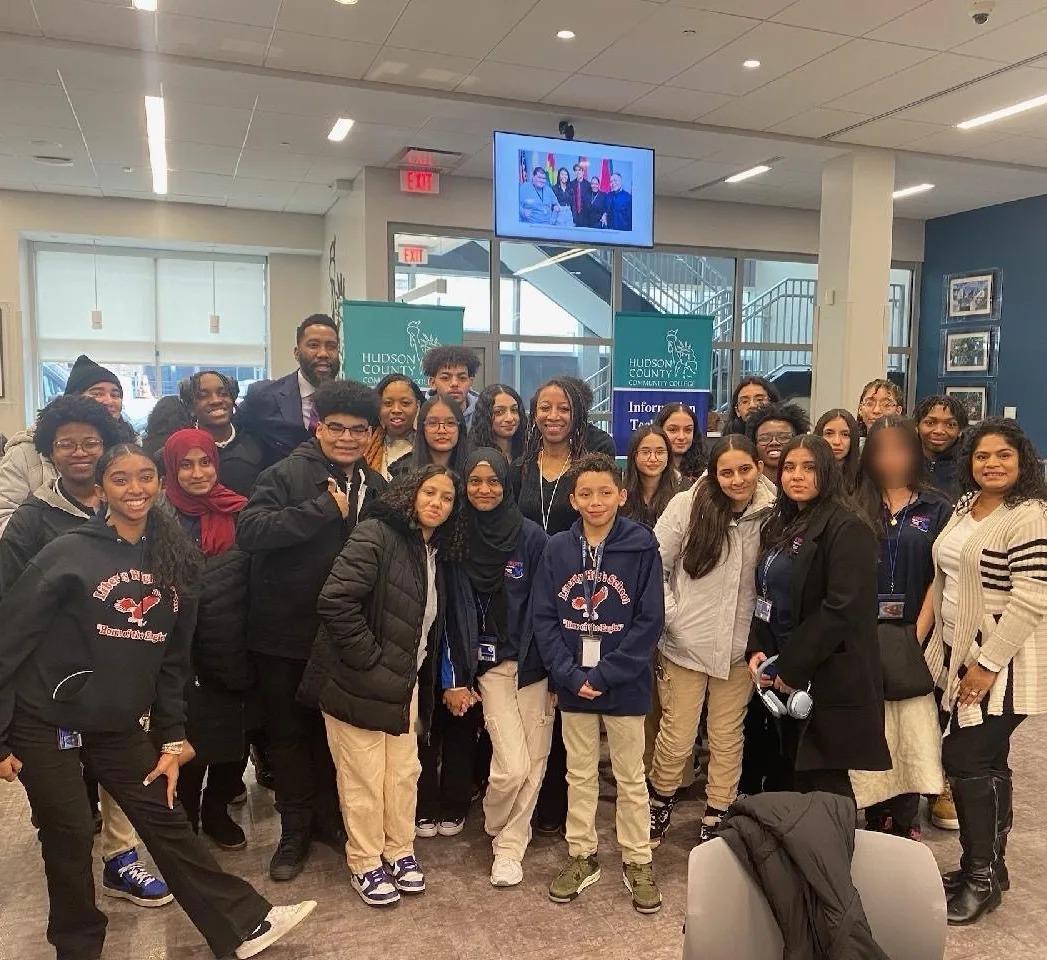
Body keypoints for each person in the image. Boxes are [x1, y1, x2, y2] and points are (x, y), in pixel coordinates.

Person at [0, 443, 315, 960]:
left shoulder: (175, 560)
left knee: (164, 818)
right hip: (44, 719)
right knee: (69, 833)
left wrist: (172, 735)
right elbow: (9, 638)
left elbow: (173, 659)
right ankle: (77, 948)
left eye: (145, 477)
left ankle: (243, 926)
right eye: (121, 480)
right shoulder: (68, 553)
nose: (135, 489)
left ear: (159, 484)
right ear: (101, 490)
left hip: (117, 722)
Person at [0, 396, 172, 909]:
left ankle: (122, 859)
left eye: (90, 442)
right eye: (66, 444)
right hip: (50, 686)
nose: (79, 452)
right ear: (50, 452)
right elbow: (12, 607)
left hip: (118, 678)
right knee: (64, 808)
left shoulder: (136, 512)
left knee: (125, 776)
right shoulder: (32, 521)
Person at [237, 379, 387, 882]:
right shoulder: (283, 474)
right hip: (283, 635)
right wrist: (321, 510)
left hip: (345, 636)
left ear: (371, 434)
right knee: (289, 737)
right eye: (336, 428)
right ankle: (294, 830)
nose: (346, 438)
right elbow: (251, 533)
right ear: (318, 427)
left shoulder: (378, 485)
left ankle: (329, 818)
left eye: (357, 430)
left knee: (336, 736)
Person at [300, 466, 463, 907]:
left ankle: (400, 849)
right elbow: (335, 600)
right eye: (430, 492)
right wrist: (368, 660)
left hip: (405, 684)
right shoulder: (376, 533)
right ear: (411, 494)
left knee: (403, 774)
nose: (437, 503)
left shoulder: (432, 551)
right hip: (358, 683)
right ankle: (365, 860)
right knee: (363, 779)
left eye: (447, 498)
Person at [923, 419, 1047, 925]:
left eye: (1003, 456)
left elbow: (1032, 597)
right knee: (990, 760)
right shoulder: (964, 508)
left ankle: (979, 877)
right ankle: (990, 869)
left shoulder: (1030, 516)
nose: (991, 464)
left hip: (1002, 659)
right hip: (956, 649)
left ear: (1023, 464)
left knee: (967, 758)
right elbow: (945, 576)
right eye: (982, 456)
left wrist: (988, 665)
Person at [533, 453, 664, 913]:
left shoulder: (642, 544)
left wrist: (606, 674)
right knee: (579, 774)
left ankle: (637, 858)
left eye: (605, 492)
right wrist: (569, 674)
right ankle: (581, 855)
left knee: (631, 776)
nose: (595, 502)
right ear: (573, 498)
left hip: (624, 684)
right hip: (573, 683)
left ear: (622, 496)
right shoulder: (557, 548)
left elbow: (650, 620)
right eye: (585, 493)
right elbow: (545, 617)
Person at [649, 436, 775, 846]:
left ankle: (717, 812)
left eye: (745, 470)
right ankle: (660, 800)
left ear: (757, 466)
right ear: (713, 472)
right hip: (686, 645)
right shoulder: (687, 505)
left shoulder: (774, 510)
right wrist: (673, 618)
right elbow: (654, 565)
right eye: (727, 472)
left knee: (727, 735)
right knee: (678, 734)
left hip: (740, 650)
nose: (736, 480)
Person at [746, 435, 890, 797]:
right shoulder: (781, 523)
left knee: (822, 781)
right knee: (789, 775)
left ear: (828, 472)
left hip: (827, 674)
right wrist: (758, 649)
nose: (797, 476)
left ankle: (828, 852)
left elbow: (840, 608)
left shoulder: (847, 527)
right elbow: (766, 593)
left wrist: (792, 668)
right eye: (790, 468)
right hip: (779, 666)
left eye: (809, 468)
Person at [441, 449, 551, 887]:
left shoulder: (531, 537)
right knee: (511, 768)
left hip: (534, 666)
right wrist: (456, 677)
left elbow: (551, 610)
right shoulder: (455, 538)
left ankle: (509, 847)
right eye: (475, 482)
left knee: (536, 762)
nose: (485, 490)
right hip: (489, 669)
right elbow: (447, 614)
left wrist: (558, 673)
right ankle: (494, 821)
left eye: (493, 482)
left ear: (507, 484)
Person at [851, 417, 951, 842]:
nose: (891, 458)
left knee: (911, 726)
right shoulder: (852, 502)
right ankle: (874, 814)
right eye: (881, 449)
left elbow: (942, 574)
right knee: (870, 725)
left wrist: (917, 631)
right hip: (859, 633)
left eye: (900, 448)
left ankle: (906, 815)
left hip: (915, 632)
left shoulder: (937, 507)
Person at [161, 428, 255, 852]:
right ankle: (186, 816)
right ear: (171, 468)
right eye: (186, 464)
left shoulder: (239, 509)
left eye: (205, 462)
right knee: (191, 735)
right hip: (181, 644)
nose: (197, 473)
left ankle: (217, 811)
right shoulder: (159, 515)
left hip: (234, 638)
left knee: (235, 734)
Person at [508, 377, 591, 833]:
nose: (553, 416)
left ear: (575, 413)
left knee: (566, 690)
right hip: (524, 591)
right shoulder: (520, 467)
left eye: (562, 408)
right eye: (544, 407)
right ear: (534, 413)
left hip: (576, 588)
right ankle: (527, 791)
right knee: (533, 690)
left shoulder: (587, 469)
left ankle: (558, 799)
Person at [0, 354, 135, 534]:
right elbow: (4, 516)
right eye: (97, 393)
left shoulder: (129, 449)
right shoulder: (25, 451)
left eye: (115, 394)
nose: (108, 401)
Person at [238, 314, 340, 467]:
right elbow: (234, 438)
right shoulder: (263, 396)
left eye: (331, 346)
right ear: (296, 353)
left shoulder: (350, 401)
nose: (323, 353)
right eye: (313, 345)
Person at [179, 371, 266, 496]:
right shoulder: (180, 449)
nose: (216, 401)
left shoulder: (258, 443)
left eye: (223, 394)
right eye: (203, 396)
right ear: (190, 406)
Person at [391, 394, 471, 477]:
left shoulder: (473, 471)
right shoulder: (403, 473)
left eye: (450, 423)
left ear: (460, 427)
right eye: (433, 423)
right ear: (422, 427)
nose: (442, 430)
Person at [363, 373, 423, 480]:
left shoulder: (429, 446)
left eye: (405, 403)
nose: (396, 410)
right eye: (388, 403)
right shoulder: (364, 444)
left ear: (417, 406)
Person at [620, 425, 679, 528]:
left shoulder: (682, 491)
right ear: (634, 455)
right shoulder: (620, 492)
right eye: (646, 452)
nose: (653, 458)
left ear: (668, 455)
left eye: (660, 452)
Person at [914, 394, 969, 503]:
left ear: (960, 430)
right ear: (916, 426)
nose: (939, 431)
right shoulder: (903, 463)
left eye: (950, 425)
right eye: (930, 423)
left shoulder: (969, 469)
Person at [746, 402, 810, 484]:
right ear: (754, 444)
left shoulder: (809, 483)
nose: (774, 443)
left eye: (783, 438)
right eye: (765, 438)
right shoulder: (745, 486)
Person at [422, 345, 481, 427]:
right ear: (432, 383)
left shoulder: (484, 413)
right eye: (445, 378)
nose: (454, 383)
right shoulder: (420, 413)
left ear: (470, 382)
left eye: (462, 378)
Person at [468, 383, 527, 463]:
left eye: (514, 410)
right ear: (485, 416)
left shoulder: (528, 453)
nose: (509, 418)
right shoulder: (474, 457)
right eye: (499, 412)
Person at [561, 376, 617, 457]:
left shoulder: (601, 444)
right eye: (546, 408)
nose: (553, 416)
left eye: (564, 408)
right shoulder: (537, 440)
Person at [654, 402, 707, 482]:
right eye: (673, 430)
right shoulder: (649, 470)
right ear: (659, 430)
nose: (681, 437)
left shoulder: (706, 473)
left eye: (688, 430)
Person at [815, 408, 861, 494]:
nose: (837, 442)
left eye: (845, 434)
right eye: (829, 434)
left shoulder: (865, 478)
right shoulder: (808, 474)